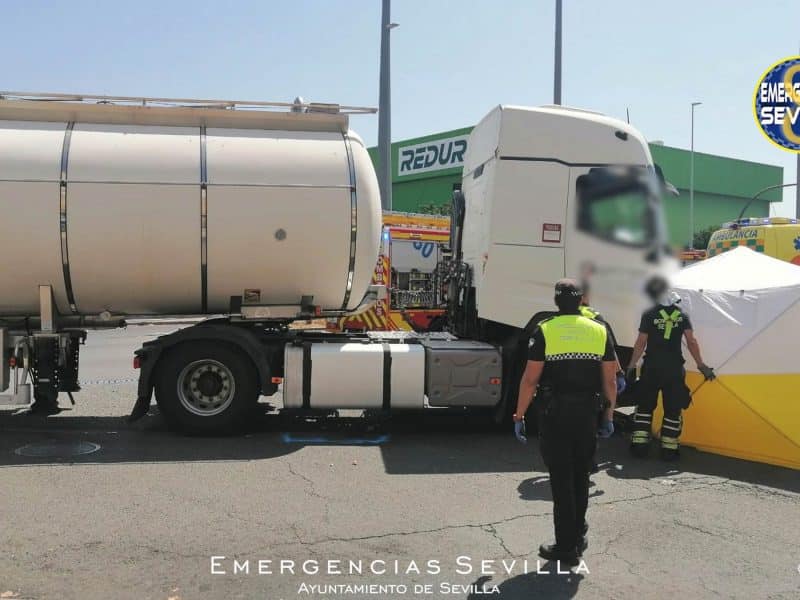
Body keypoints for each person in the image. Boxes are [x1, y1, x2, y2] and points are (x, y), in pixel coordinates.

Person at [513, 279, 617, 566]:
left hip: (555, 414)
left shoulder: (545, 329)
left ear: (556, 302)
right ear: (581, 300)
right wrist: (608, 416)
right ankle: (578, 534)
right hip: (587, 414)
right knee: (581, 475)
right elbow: (609, 380)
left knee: (561, 479)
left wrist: (519, 415)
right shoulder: (599, 329)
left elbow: (530, 379)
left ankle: (565, 546)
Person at [626, 276, 715, 461]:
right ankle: (669, 450)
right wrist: (701, 365)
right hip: (674, 369)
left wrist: (632, 365)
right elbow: (691, 341)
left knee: (644, 406)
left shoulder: (649, 314)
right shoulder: (682, 315)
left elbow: (641, 342)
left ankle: (640, 447)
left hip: (651, 368)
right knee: (673, 409)